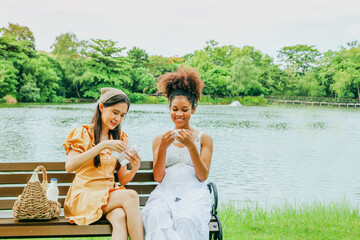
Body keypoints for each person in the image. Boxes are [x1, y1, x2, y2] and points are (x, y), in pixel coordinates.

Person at [141, 66, 213, 239]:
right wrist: (164, 148)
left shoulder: (204, 139)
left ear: (193, 109)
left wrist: (191, 147)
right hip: (165, 193)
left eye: (184, 109)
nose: (179, 114)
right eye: (174, 109)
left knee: (186, 220)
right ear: (170, 109)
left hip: (193, 194)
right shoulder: (160, 139)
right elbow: (158, 177)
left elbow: (203, 176)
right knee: (158, 217)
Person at [63, 87, 144, 240]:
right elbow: (69, 166)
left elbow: (123, 179)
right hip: (84, 196)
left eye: (122, 115)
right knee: (131, 196)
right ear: (101, 107)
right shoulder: (83, 133)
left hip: (108, 196)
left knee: (120, 217)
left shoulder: (121, 138)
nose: (118, 119)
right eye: (115, 112)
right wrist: (102, 145)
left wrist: (135, 168)